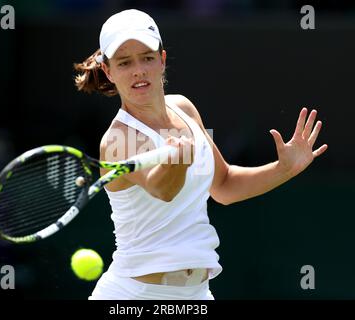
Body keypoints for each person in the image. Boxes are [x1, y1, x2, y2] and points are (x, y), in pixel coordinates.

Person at [73, 9, 328, 300]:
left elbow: (224, 185)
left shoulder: (183, 108)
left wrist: (284, 169)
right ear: (109, 71)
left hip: (197, 295)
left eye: (147, 57)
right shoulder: (119, 139)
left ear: (162, 60)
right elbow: (163, 189)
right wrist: (177, 161)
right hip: (135, 295)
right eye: (125, 62)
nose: (138, 70)